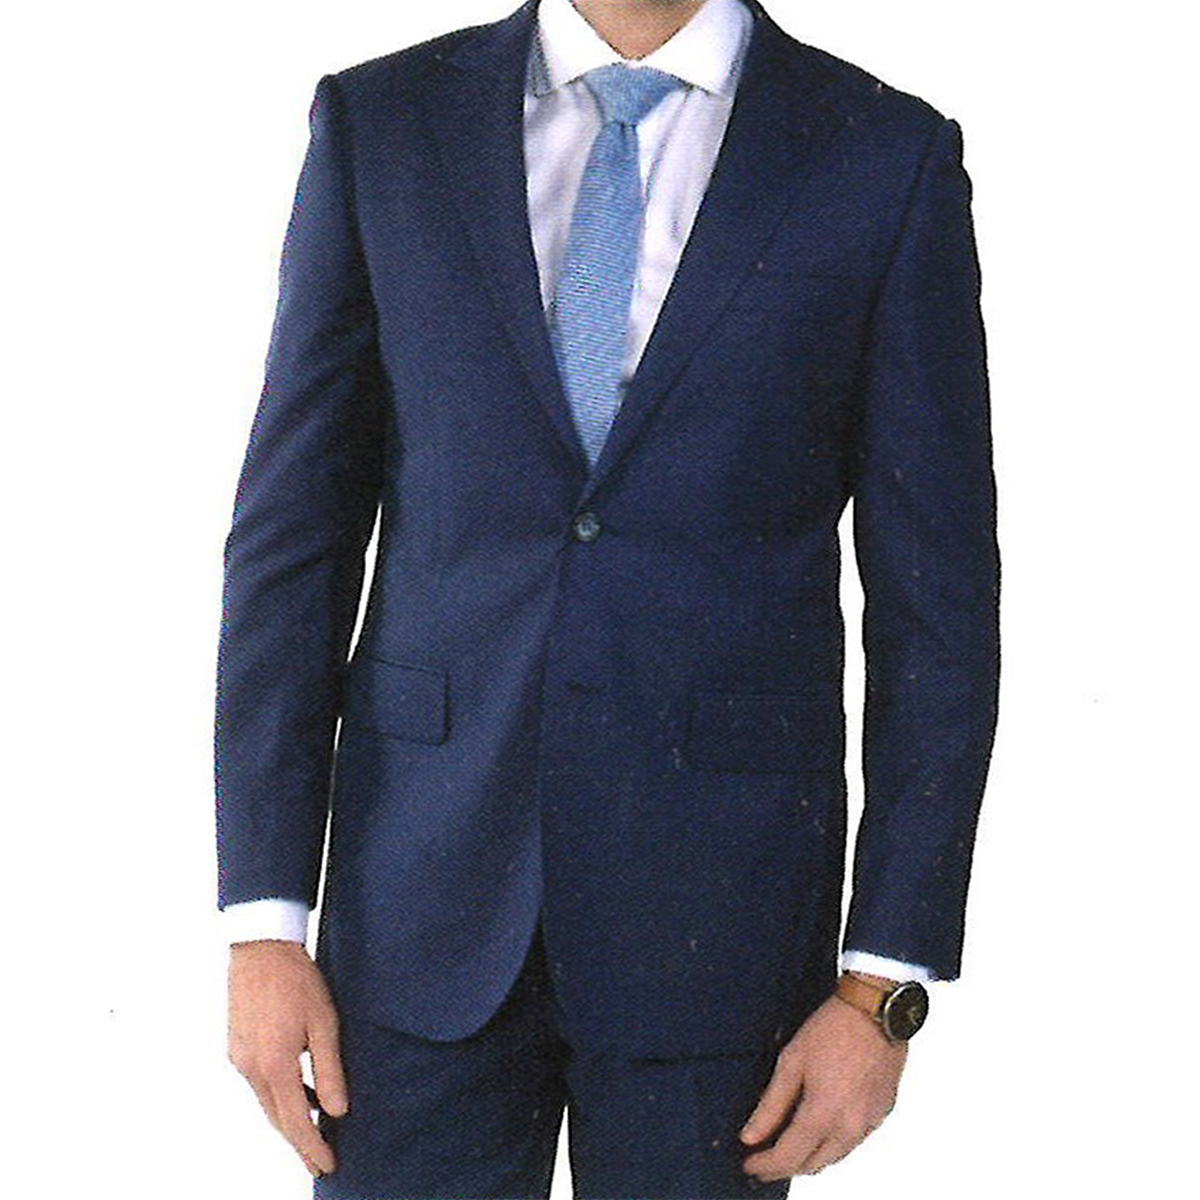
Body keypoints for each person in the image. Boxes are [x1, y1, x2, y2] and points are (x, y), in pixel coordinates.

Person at [215, 0, 1000, 1196]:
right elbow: (293, 543)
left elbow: (938, 605)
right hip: (419, 904)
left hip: (724, 933)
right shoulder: (385, 124)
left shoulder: (880, 153)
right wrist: (263, 923)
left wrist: (882, 982)